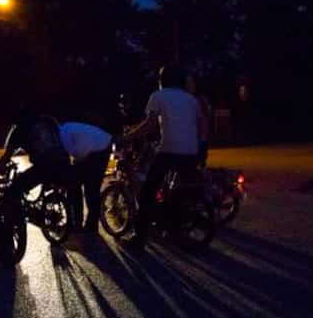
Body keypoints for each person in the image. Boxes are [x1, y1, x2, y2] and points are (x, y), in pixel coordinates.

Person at [122, 65, 207, 248]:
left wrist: (127, 137)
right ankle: (174, 227)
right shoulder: (191, 99)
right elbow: (202, 128)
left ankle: (138, 239)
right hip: (190, 152)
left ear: (162, 81)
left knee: (147, 193)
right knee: (178, 190)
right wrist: (198, 147)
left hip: (168, 151)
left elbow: (149, 125)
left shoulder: (158, 96)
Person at [0, 110, 69, 219]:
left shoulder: (19, 129)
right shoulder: (49, 120)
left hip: (45, 166)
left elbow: (6, 157)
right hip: (64, 162)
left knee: (13, 191)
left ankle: (14, 223)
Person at [59, 121, 113, 233]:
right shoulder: (65, 129)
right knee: (90, 188)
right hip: (103, 144)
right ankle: (89, 225)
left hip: (97, 150)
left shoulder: (62, 135)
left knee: (81, 187)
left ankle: (78, 223)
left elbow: (69, 156)